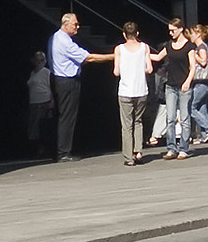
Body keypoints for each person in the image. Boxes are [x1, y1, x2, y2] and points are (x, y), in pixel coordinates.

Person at [48, 12, 114, 161]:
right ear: (66, 25)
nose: (78, 27)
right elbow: (88, 58)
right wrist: (114, 56)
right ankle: (63, 153)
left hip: (59, 79)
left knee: (63, 116)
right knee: (67, 117)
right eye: (75, 24)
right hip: (67, 81)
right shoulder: (65, 42)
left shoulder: (55, 37)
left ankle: (60, 150)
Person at [150, 19, 196, 160]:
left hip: (184, 86)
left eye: (173, 30)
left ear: (180, 29)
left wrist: (188, 81)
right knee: (170, 118)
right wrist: (142, 52)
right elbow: (158, 57)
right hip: (170, 85)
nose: (171, 33)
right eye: (169, 30)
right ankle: (171, 148)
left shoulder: (189, 46)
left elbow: (193, 66)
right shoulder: (169, 45)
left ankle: (183, 148)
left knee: (185, 118)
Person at [114, 22, 153, 166]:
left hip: (125, 91)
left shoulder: (119, 49)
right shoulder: (145, 47)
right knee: (138, 121)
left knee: (127, 125)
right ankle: (138, 151)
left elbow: (116, 71)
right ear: (137, 33)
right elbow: (149, 69)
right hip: (141, 90)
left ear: (124, 34)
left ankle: (128, 157)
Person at [188, 24, 208, 144]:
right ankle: (205, 134)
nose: (190, 36)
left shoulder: (201, 47)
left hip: (203, 81)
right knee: (201, 107)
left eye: (192, 34)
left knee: (191, 107)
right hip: (203, 82)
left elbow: (204, 61)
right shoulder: (201, 46)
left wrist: (194, 55)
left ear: (198, 35)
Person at [26, 51, 53, 157]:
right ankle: (39, 150)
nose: (39, 62)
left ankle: (44, 150)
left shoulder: (46, 72)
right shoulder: (33, 73)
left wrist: (52, 101)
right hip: (34, 102)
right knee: (34, 127)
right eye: (37, 60)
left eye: (42, 60)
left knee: (41, 127)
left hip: (44, 101)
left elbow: (51, 86)